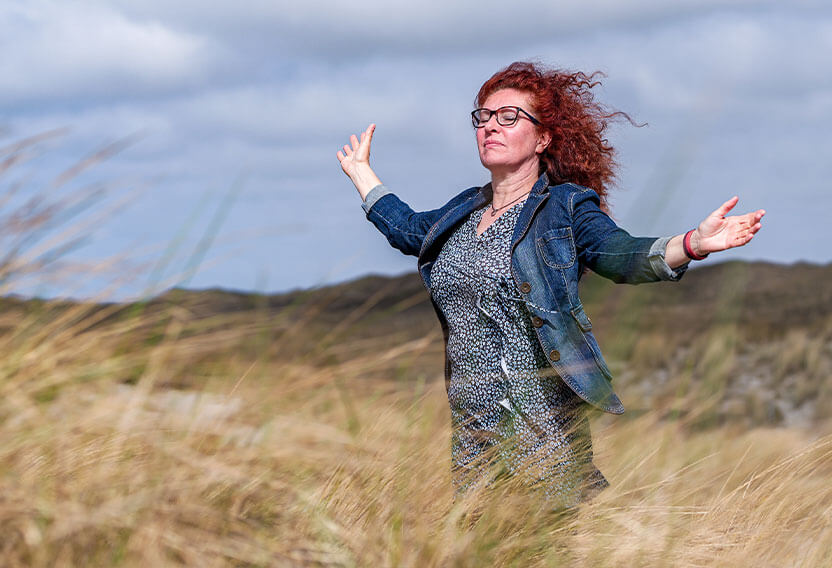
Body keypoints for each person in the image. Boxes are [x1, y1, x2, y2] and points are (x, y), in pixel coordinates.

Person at [336, 61, 765, 508]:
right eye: (482, 117)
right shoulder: (462, 210)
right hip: (473, 434)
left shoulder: (564, 207)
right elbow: (409, 230)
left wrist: (692, 243)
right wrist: (362, 173)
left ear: (543, 138)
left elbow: (619, 255)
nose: (490, 127)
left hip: (543, 434)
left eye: (508, 117)